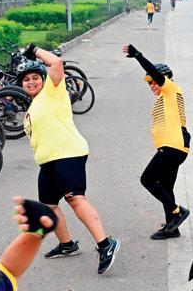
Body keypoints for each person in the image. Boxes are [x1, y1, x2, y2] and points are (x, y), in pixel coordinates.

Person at [17, 44, 121, 273]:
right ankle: (67, 245)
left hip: (68, 154)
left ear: (43, 80)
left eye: (35, 77)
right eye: (26, 80)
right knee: (49, 205)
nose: (31, 82)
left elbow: (56, 63)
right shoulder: (33, 107)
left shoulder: (52, 91)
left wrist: (33, 50)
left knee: (75, 199)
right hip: (48, 162)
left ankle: (106, 244)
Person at [123, 44, 191, 239]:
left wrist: (138, 55)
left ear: (165, 80)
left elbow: (155, 73)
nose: (152, 85)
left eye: (155, 82)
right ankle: (172, 227)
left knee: (148, 179)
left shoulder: (170, 89)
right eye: (149, 83)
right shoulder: (164, 98)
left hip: (172, 146)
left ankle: (178, 213)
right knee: (166, 187)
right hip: (175, 147)